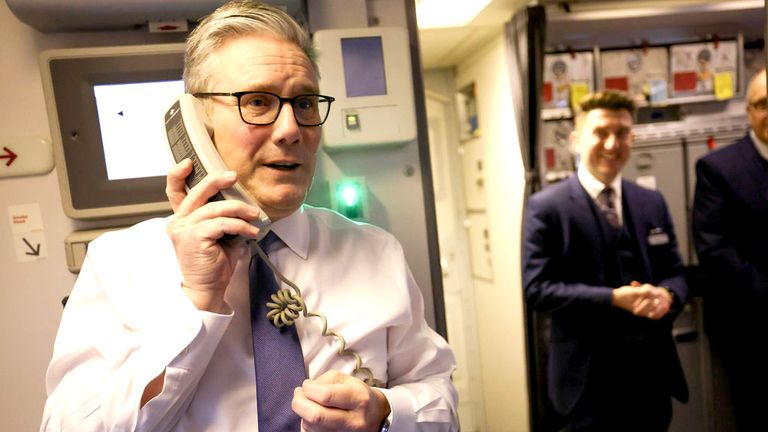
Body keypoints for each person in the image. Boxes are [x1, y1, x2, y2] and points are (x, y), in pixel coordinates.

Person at [40, 2, 458, 431]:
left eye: (306, 103)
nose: (291, 129)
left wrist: (386, 411)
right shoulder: (118, 263)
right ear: (196, 127)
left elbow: (440, 397)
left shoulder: (375, 250)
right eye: (257, 102)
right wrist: (196, 303)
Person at [522, 91, 689, 431]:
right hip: (585, 385)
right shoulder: (548, 208)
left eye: (622, 133)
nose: (613, 144)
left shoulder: (650, 202)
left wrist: (668, 296)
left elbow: (676, 272)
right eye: (601, 133)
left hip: (650, 381)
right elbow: (537, 289)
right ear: (576, 140)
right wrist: (613, 298)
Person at [693, 68, 768, 431]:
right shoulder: (719, 168)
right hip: (749, 327)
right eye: (763, 104)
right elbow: (714, 248)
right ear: (749, 111)